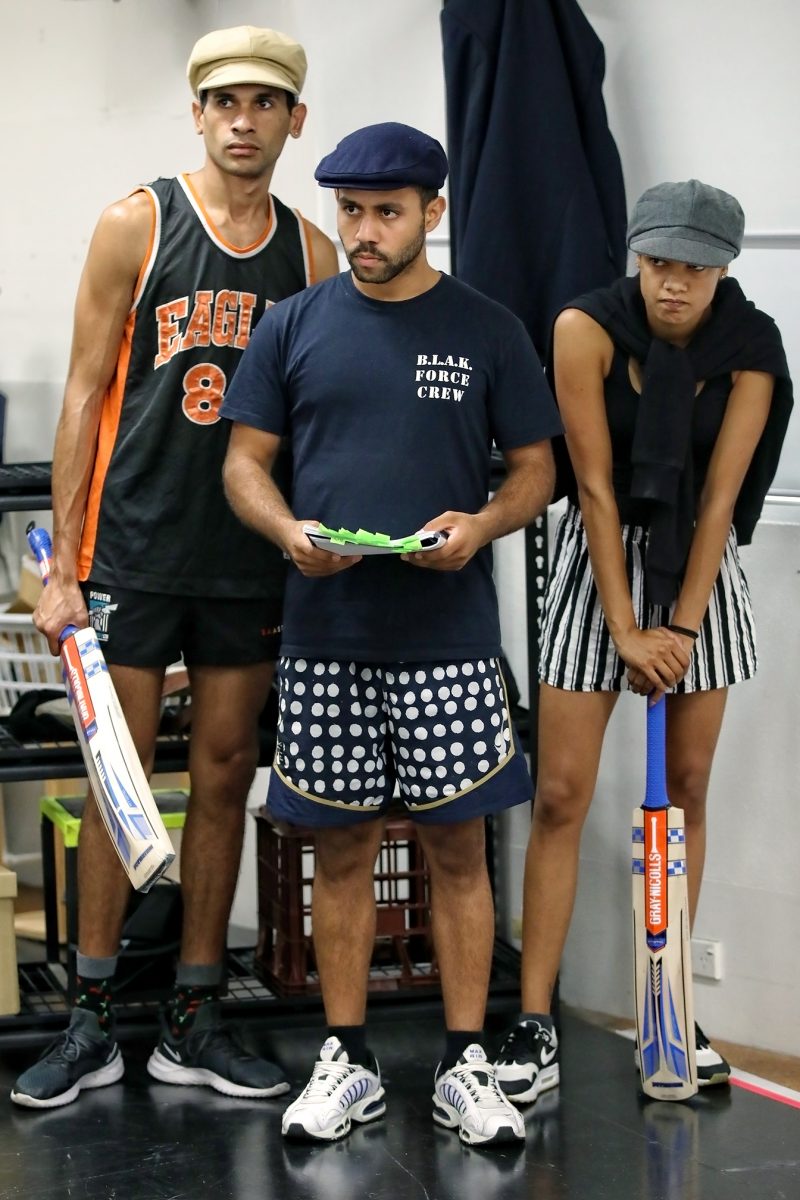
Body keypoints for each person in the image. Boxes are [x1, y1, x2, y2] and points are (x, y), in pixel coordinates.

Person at [11, 25, 339, 1110]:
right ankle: (93, 1019)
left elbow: (313, 420)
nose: (243, 121)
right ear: (196, 114)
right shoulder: (136, 225)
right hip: (132, 549)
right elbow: (80, 394)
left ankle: (194, 1016)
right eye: (223, 101)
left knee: (224, 773)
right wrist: (59, 565)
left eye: (264, 103)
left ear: (295, 120)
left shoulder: (311, 254)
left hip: (243, 559)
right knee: (117, 784)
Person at [221, 121, 562, 1146]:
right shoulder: (292, 324)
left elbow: (535, 469)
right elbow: (244, 462)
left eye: (386, 213)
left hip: (450, 636)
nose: (363, 232)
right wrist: (287, 531)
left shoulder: (488, 329)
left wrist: (483, 523)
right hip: (326, 632)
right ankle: (347, 1058)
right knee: (340, 846)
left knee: (459, 849)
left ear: (431, 214)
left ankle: (464, 1061)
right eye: (351, 211)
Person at [495, 179, 793, 1105]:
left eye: (695, 270)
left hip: (701, 577)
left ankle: (664, 1010)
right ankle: (535, 1021)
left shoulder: (753, 349)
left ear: (725, 272)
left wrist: (682, 626)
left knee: (690, 788)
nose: (673, 284)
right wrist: (625, 626)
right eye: (660, 262)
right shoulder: (584, 327)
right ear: (638, 254)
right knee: (561, 794)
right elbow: (592, 484)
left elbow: (720, 501)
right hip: (599, 565)